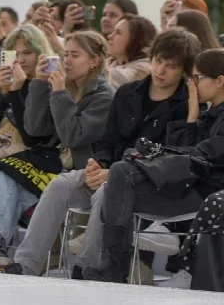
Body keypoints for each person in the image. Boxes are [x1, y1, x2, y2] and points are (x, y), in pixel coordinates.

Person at [4, 29, 200, 277]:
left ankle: (87, 268)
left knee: (107, 193)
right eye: (158, 61)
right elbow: (108, 140)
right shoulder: (128, 92)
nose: (160, 70)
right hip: (109, 172)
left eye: (171, 66)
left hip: (145, 183)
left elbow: (169, 157)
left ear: (184, 70)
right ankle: (26, 264)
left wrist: (113, 172)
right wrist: (99, 163)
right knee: (60, 185)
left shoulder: (186, 104)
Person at [0, 31, 114, 268]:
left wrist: (58, 93)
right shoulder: (65, 87)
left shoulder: (104, 96)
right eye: (65, 54)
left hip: (80, 173)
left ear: (94, 61)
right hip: (51, 165)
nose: (67, 61)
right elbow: (34, 129)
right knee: (3, 173)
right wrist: (39, 84)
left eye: (75, 55)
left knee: (5, 175)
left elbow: (73, 136)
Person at [83, 48, 224, 283]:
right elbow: (187, 149)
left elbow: (205, 154)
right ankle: (115, 264)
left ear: (220, 81)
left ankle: (116, 266)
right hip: (187, 184)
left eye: (198, 78)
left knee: (123, 174)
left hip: (206, 192)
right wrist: (192, 115)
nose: (192, 84)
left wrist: (156, 158)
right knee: (120, 175)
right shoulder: (209, 112)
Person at [106, 14, 157, 90]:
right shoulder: (111, 63)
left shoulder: (143, 70)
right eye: (113, 31)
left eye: (118, 32)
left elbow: (104, 77)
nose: (110, 36)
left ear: (135, 40)